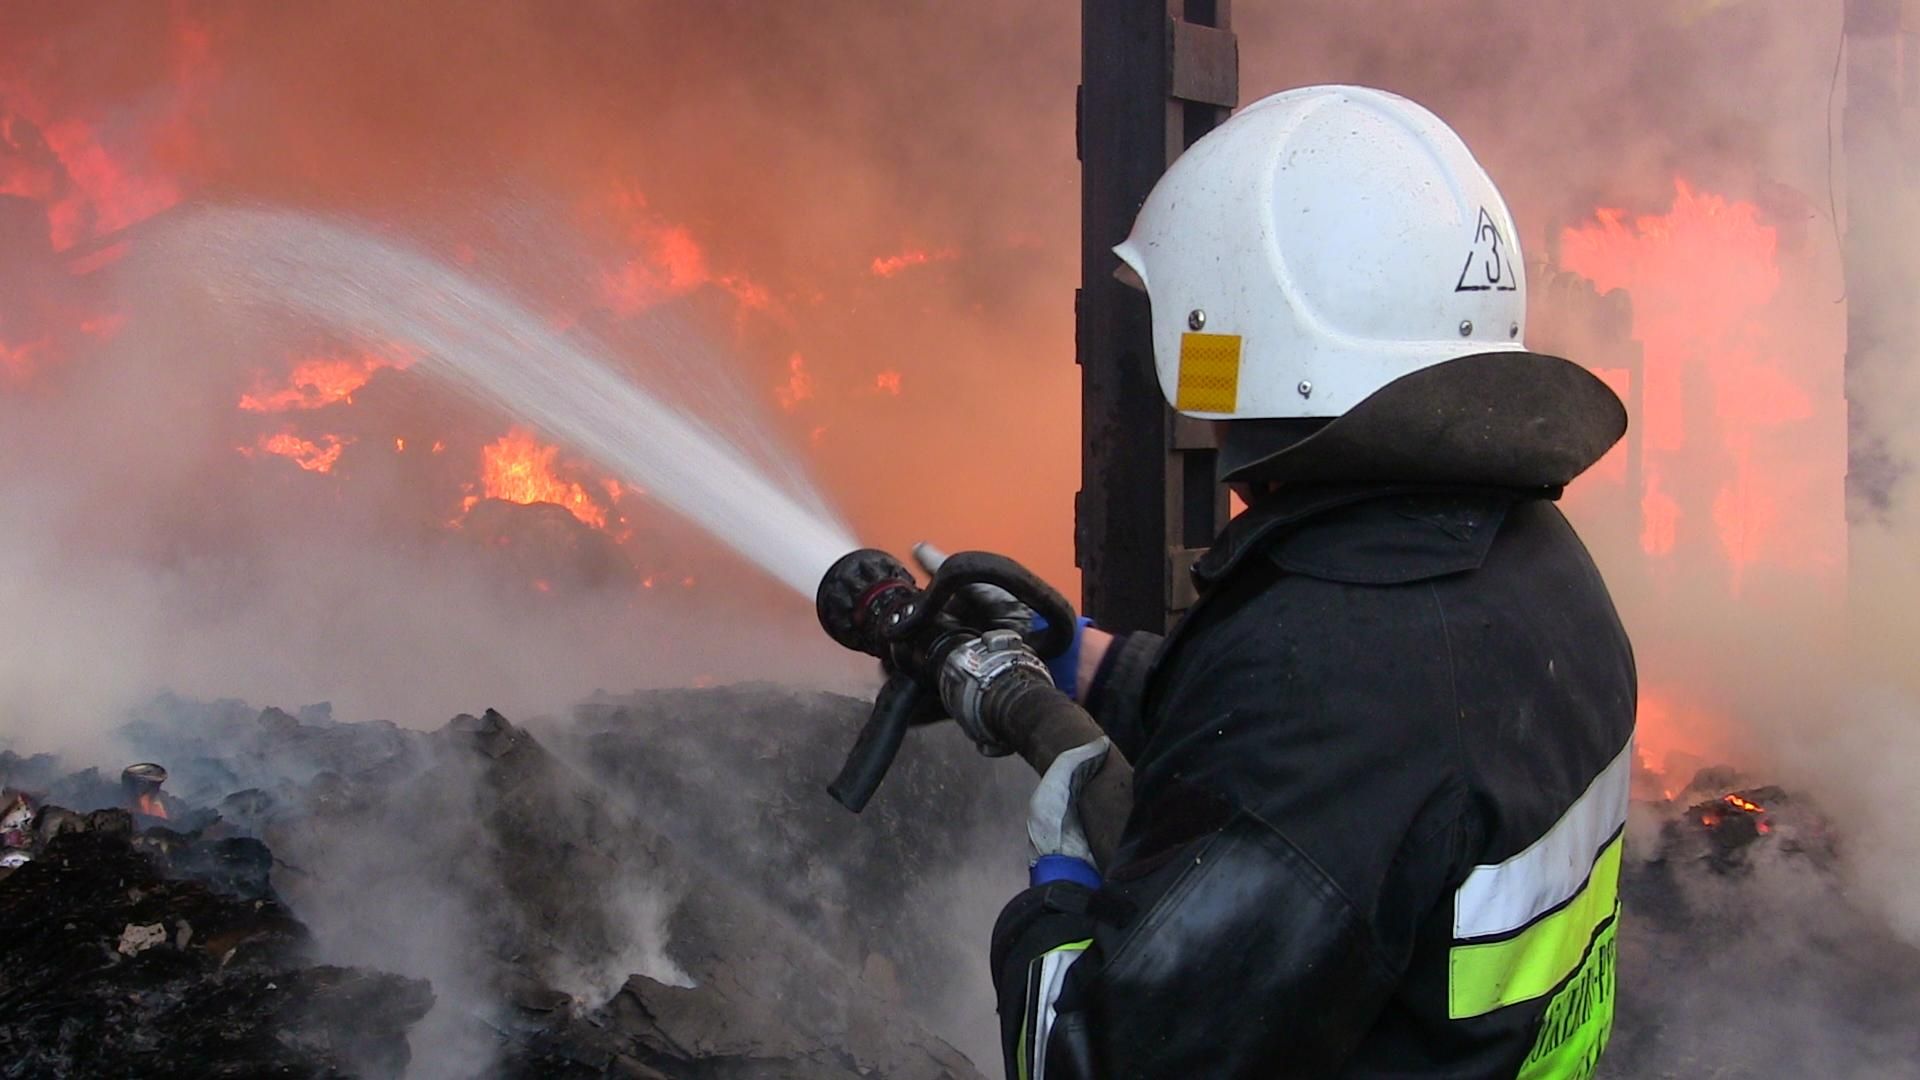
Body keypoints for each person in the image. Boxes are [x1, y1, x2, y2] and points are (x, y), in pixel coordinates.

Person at [934, 85, 1637, 1079]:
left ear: (1253, 335)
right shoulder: (1535, 565)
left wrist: (1059, 891)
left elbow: (1091, 1058)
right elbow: (1383, 771)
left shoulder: (1334, 683)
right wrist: (1091, 664)